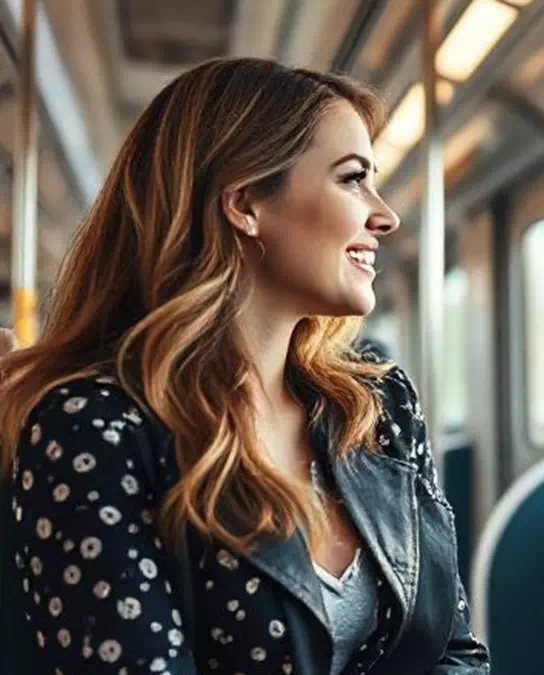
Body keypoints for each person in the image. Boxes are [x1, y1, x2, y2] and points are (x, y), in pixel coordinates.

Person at [0, 58, 488, 674]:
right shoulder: (93, 426)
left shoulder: (379, 407)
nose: (384, 215)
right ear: (245, 204)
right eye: (353, 179)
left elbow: (453, 652)